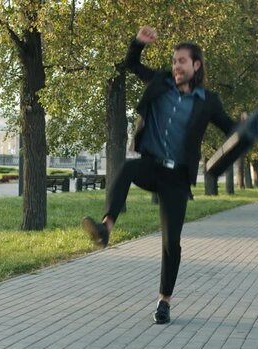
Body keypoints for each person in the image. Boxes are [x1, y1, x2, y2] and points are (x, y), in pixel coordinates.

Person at [82, 26, 236, 324]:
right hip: (152, 166)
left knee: (171, 242)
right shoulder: (161, 81)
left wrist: (242, 127)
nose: (176, 66)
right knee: (128, 168)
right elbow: (132, 65)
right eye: (174, 60)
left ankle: (164, 301)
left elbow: (230, 130)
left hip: (177, 178)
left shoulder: (209, 101)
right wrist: (137, 43)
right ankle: (106, 227)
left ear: (196, 65)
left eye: (182, 61)